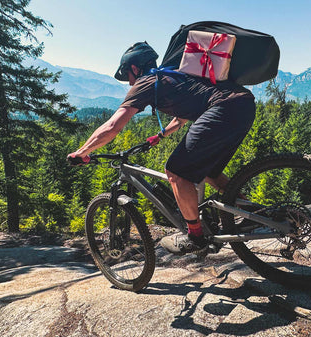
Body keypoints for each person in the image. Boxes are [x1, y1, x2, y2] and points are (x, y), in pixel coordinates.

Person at [68, 41, 255, 255]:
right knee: (209, 172)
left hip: (224, 107)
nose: (129, 83)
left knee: (176, 171)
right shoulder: (171, 76)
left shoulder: (145, 82)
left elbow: (112, 126)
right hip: (243, 105)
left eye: (128, 75)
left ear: (135, 69)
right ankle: (253, 212)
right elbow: (183, 116)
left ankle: (195, 236)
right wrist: (161, 134)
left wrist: (82, 152)